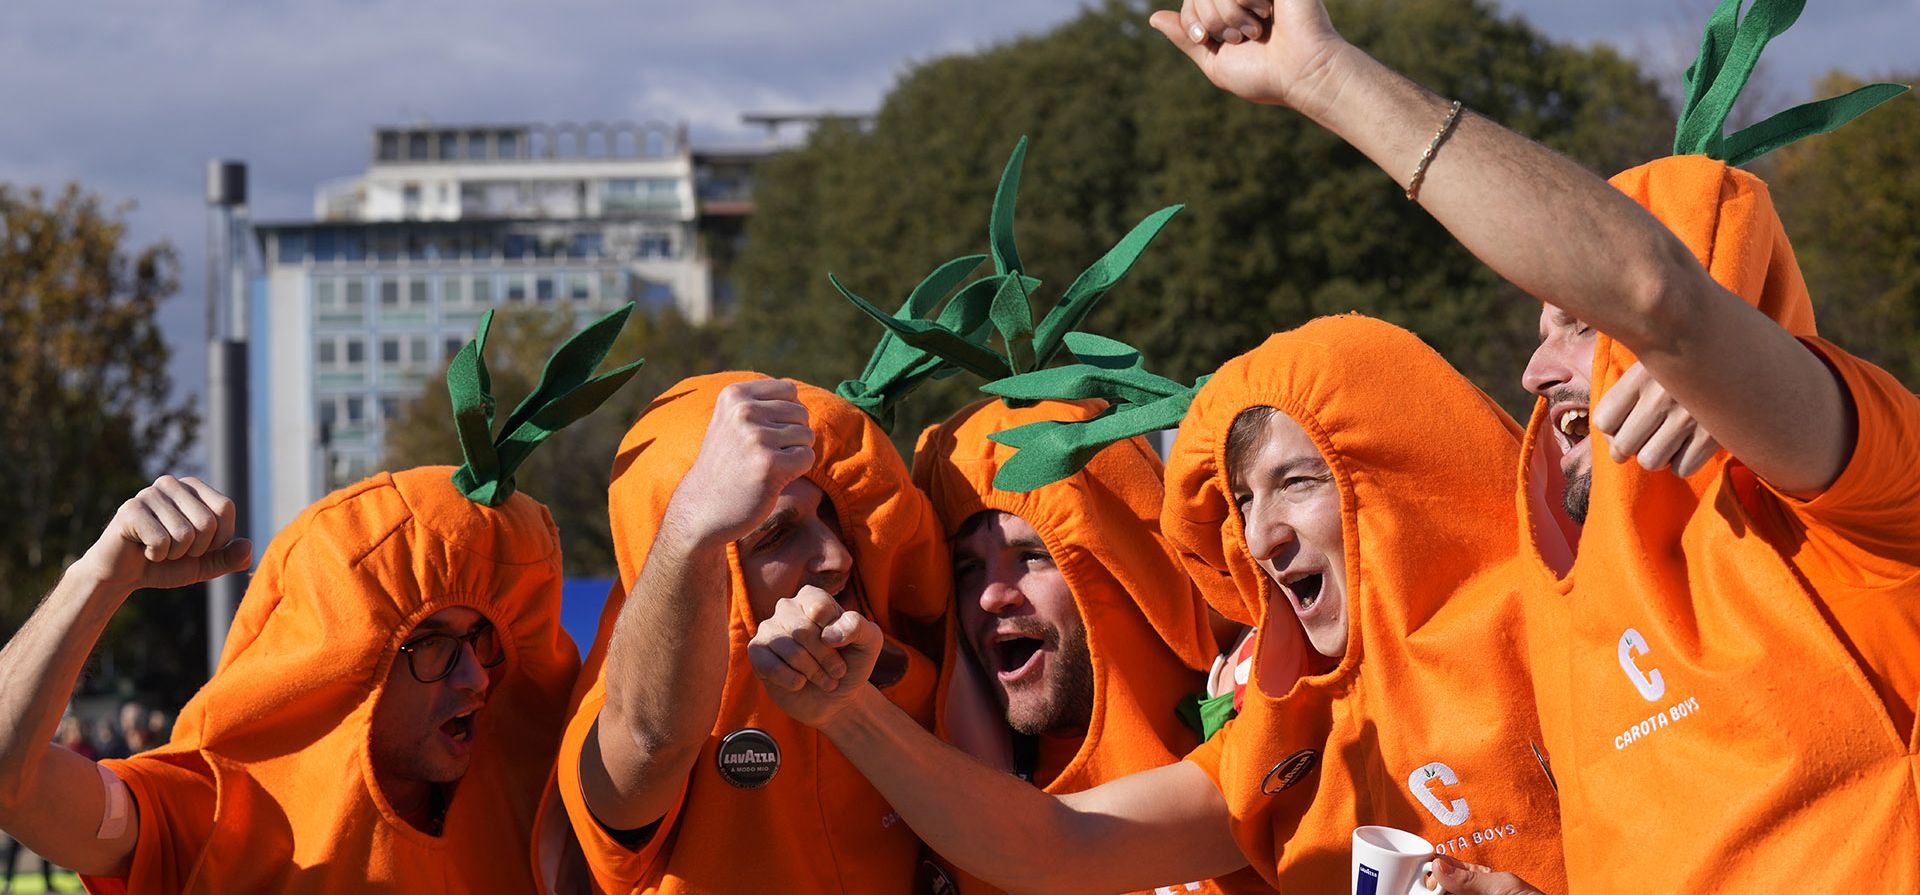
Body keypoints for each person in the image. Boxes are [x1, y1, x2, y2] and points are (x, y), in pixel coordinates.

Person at [1164, 0, 1918, 889]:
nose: (1532, 369)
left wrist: (1324, 78)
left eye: (1576, 322)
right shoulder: (1567, 607)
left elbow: (1656, 292)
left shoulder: (1854, 488)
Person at [750, 315, 1585, 893]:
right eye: (1243, 501)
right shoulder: (1281, 731)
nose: (1262, 537)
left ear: (1406, 472)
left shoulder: (1571, 640)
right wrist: (848, 713)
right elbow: (1058, 846)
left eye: (1297, 481)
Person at [0, 306, 635, 893]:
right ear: (345, 657)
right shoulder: (207, 812)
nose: (474, 676)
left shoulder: (546, 814)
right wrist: (95, 580)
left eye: (482, 639)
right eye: (435, 644)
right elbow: (9, 778)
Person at [541, 372, 951, 893]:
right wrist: (691, 525)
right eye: (776, 534)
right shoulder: (626, 705)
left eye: (833, 517)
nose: (837, 557)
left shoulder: (907, 658)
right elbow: (648, 743)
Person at [908, 397, 1267, 894]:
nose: (992, 594)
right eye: (968, 569)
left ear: (1119, 569)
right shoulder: (918, 786)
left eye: (1032, 556)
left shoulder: (1251, 723)